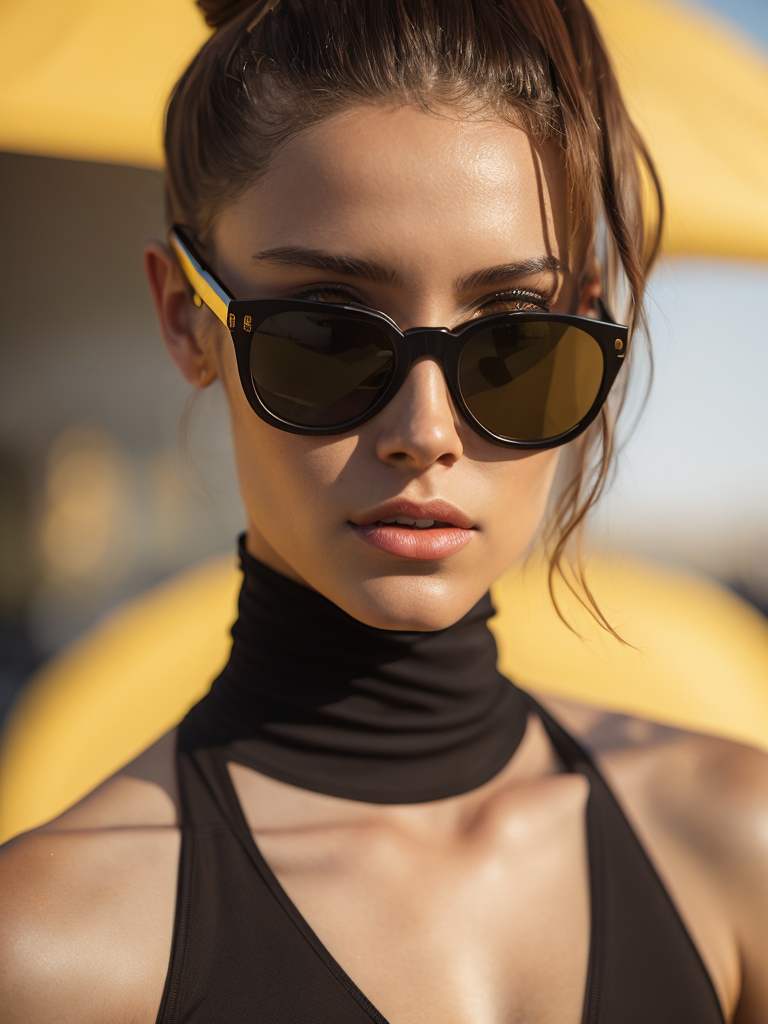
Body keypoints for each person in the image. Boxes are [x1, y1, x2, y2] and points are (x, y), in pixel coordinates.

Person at [2, 0, 767, 1020]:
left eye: (514, 343)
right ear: (188, 320)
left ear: (590, 314)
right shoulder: (50, 949)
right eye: (328, 334)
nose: (428, 429)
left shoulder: (736, 841)